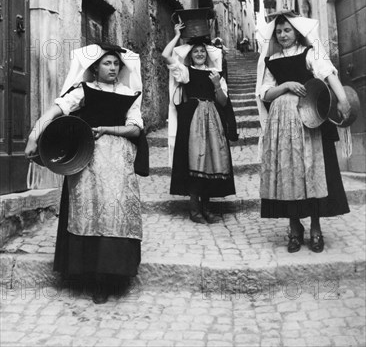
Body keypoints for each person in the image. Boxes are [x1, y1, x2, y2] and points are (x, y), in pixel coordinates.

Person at [25, 43, 145, 303]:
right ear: (94, 68)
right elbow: (56, 110)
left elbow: (135, 128)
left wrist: (108, 129)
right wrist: (35, 135)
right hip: (86, 159)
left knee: (116, 210)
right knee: (88, 211)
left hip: (118, 161)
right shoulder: (83, 91)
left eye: (116, 64)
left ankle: (113, 273)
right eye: (107, 63)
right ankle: (93, 277)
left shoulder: (129, 93)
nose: (113, 68)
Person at [256, 12, 351, 253]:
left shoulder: (310, 53)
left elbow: (328, 72)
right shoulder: (272, 60)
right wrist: (285, 86)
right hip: (281, 122)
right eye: (278, 31)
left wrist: (342, 100)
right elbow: (265, 93)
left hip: (308, 119)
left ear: (296, 31)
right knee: (289, 172)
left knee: (311, 170)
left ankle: (316, 228)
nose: (282, 35)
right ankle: (295, 228)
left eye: (287, 30)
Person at [162, 19, 236, 224]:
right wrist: (177, 35)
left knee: (211, 162)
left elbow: (222, 102)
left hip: (213, 120)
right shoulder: (186, 73)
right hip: (192, 120)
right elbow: (166, 56)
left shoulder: (216, 74)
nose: (200, 54)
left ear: (207, 54)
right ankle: (194, 209)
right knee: (194, 161)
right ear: (191, 56)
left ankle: (207, 207)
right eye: (196, 52)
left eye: (203, 51)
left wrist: (216, 85)